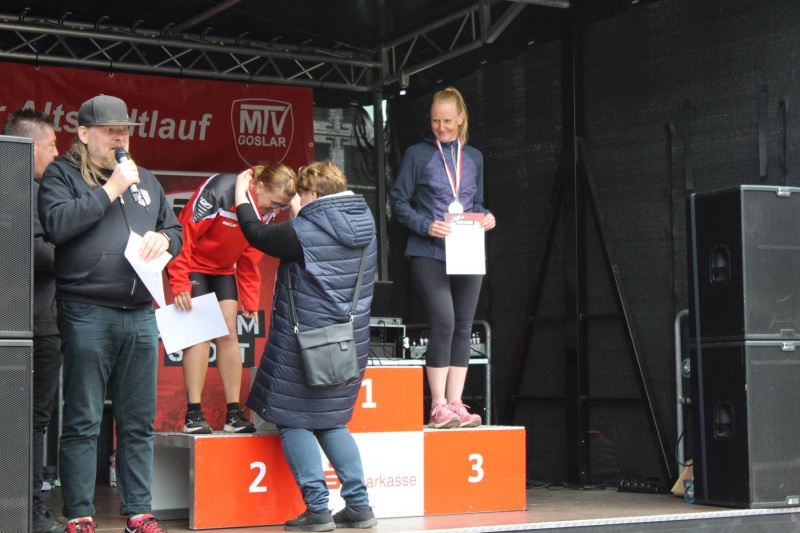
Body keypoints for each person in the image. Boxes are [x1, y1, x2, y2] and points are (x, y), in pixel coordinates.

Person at [38, 94, 183, 533]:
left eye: (124, 131)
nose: (119, 139)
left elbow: (174, 228)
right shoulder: (62, 174)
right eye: (109, 131)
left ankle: (139, 510)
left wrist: (165, 240)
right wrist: (110, 189)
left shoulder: (146, 179)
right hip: (87, 308)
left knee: (137, 419)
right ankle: (80, 512)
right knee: (83, 417)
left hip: (139, 311)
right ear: (84, 134)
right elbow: (57, 225)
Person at [237, 161, 378, 532]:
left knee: (293, 419)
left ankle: (317, 509)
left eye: (299, 194)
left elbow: (256, 234)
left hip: (305, 343)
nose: (294, 201)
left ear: (313, 194)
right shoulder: (365, 223)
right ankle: (359, 506)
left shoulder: (305, 229)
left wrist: (241, 194)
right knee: (332, 421)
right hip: (347, 341)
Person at [389, 87, 496, 429]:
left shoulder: (474, 157)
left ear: (461, 118)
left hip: (466, 249)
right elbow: (398, 202)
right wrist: (426, 225)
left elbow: (476, 203)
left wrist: (486, 217)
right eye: (435, 120)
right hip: (428, 250)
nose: (441, 127)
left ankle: (456, 403)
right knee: (445, 321)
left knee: (464, 325)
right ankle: (437, 406)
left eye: (448, 121)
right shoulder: (417, 154)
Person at [167, 165, 295, 434]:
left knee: (229, 333)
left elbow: (250, 253)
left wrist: (250, 297)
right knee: (200, 335)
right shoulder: (219, 191)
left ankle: (234, 414)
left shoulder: (266, 210)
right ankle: (194, 414)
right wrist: (179, 281)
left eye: (281, 207)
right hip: (193, 265)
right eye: (274, 203)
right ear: (258, 186)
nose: (275, 210)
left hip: (224, 269)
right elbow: (184, 233)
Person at [4, 109, 64, 533]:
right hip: (32, 326)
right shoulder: (27, 191)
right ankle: (27, 509)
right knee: (31, 420)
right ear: (29, 147)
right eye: (53, 145)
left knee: (24, 420)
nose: (57, 153)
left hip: (27, 323)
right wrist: (79, 256)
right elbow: (36, 251)